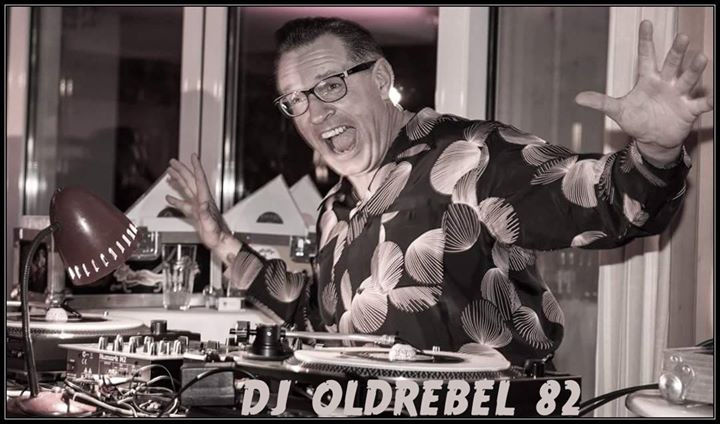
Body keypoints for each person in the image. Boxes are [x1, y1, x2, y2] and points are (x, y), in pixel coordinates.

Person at [166, 17, 712, 366]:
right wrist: (218, 238)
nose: (316, 112)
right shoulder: (334, 211)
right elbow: (312, 315)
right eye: (296, 100)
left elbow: (600, 202)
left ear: (381, 79)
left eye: (330, 85)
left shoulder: (471, 154)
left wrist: (656, 154)